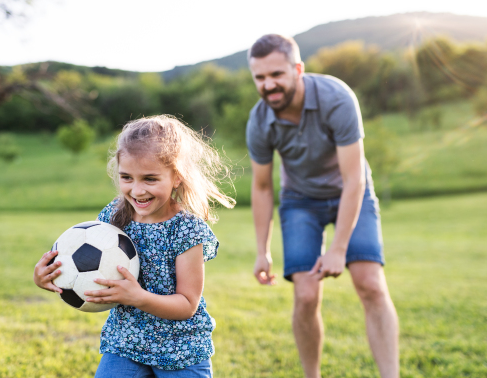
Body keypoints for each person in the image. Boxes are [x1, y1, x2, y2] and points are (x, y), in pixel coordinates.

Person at [246, 34, 400, 378]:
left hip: (350, 191)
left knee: (370, 283)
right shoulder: (259, 122)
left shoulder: (337, 98)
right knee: (305, 294)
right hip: (300, 201)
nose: (268, 84)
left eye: (276, 74)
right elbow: (261, 187)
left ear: (297, 69)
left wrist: (338, 249)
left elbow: (354, 179)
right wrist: (262, 250)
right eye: (260, 78)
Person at [34, 115, 235, 377]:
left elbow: (187, 304)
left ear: (177, 176)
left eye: (150, 179)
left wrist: (137, 297)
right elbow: (86, 270)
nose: (137, 190)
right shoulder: (113, 217)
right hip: (125, 343)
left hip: (180, 349)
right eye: (127, 177)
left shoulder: (186, 229)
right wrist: (49, 276)